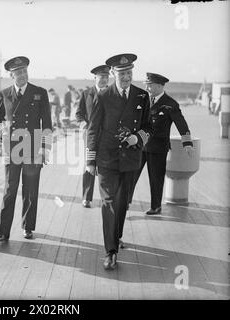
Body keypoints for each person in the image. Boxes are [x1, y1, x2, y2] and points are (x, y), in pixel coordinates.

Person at [85, 54, 151, 270]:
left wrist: (138, 137)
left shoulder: (142, 96)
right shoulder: (103, 96)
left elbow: (148, 126)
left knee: (122, 202)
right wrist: (91, 160)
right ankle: (110, 250)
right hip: (107, 157)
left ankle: (117, 236)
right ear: (113, 74)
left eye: (129, 73)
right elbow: (93, 129)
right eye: (122, 74)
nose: (126, 77)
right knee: (109, 202)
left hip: (131, 158)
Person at [0, 56, 52, 241]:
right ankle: (2, 232)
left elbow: (47, 123)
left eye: (24, 71)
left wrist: (45, 148)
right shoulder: (4, 93)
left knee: (30, 190)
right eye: (18, 72)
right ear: (11, 75)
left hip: (34, 148)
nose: (22, 75)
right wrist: (3, 131)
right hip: (13, 149)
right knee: (10, 190)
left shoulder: (40, 93)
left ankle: (28, 227)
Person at [130, 72, 194, 215]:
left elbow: (181, 124)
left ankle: (155, 207)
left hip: (158, 148)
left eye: (150, 85)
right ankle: (125, 202)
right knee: (131, 175)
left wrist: (187, 143)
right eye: (146, 85)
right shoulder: (142, 101)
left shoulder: (170, 104)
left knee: (156, 179)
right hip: (140, 146)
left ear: (159, 85)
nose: (147, 88)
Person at [75, 65, 110, 208]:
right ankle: (86, 197)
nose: (104, 79)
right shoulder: (86, 93)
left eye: (106, 77)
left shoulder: (111, 93)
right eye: (101, 77)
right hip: (90, 135)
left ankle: (106, 198)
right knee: (89, 165)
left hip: (107, 135)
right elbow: (79, 113)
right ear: (95, 78)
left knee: (106, 165)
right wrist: (84, 124)